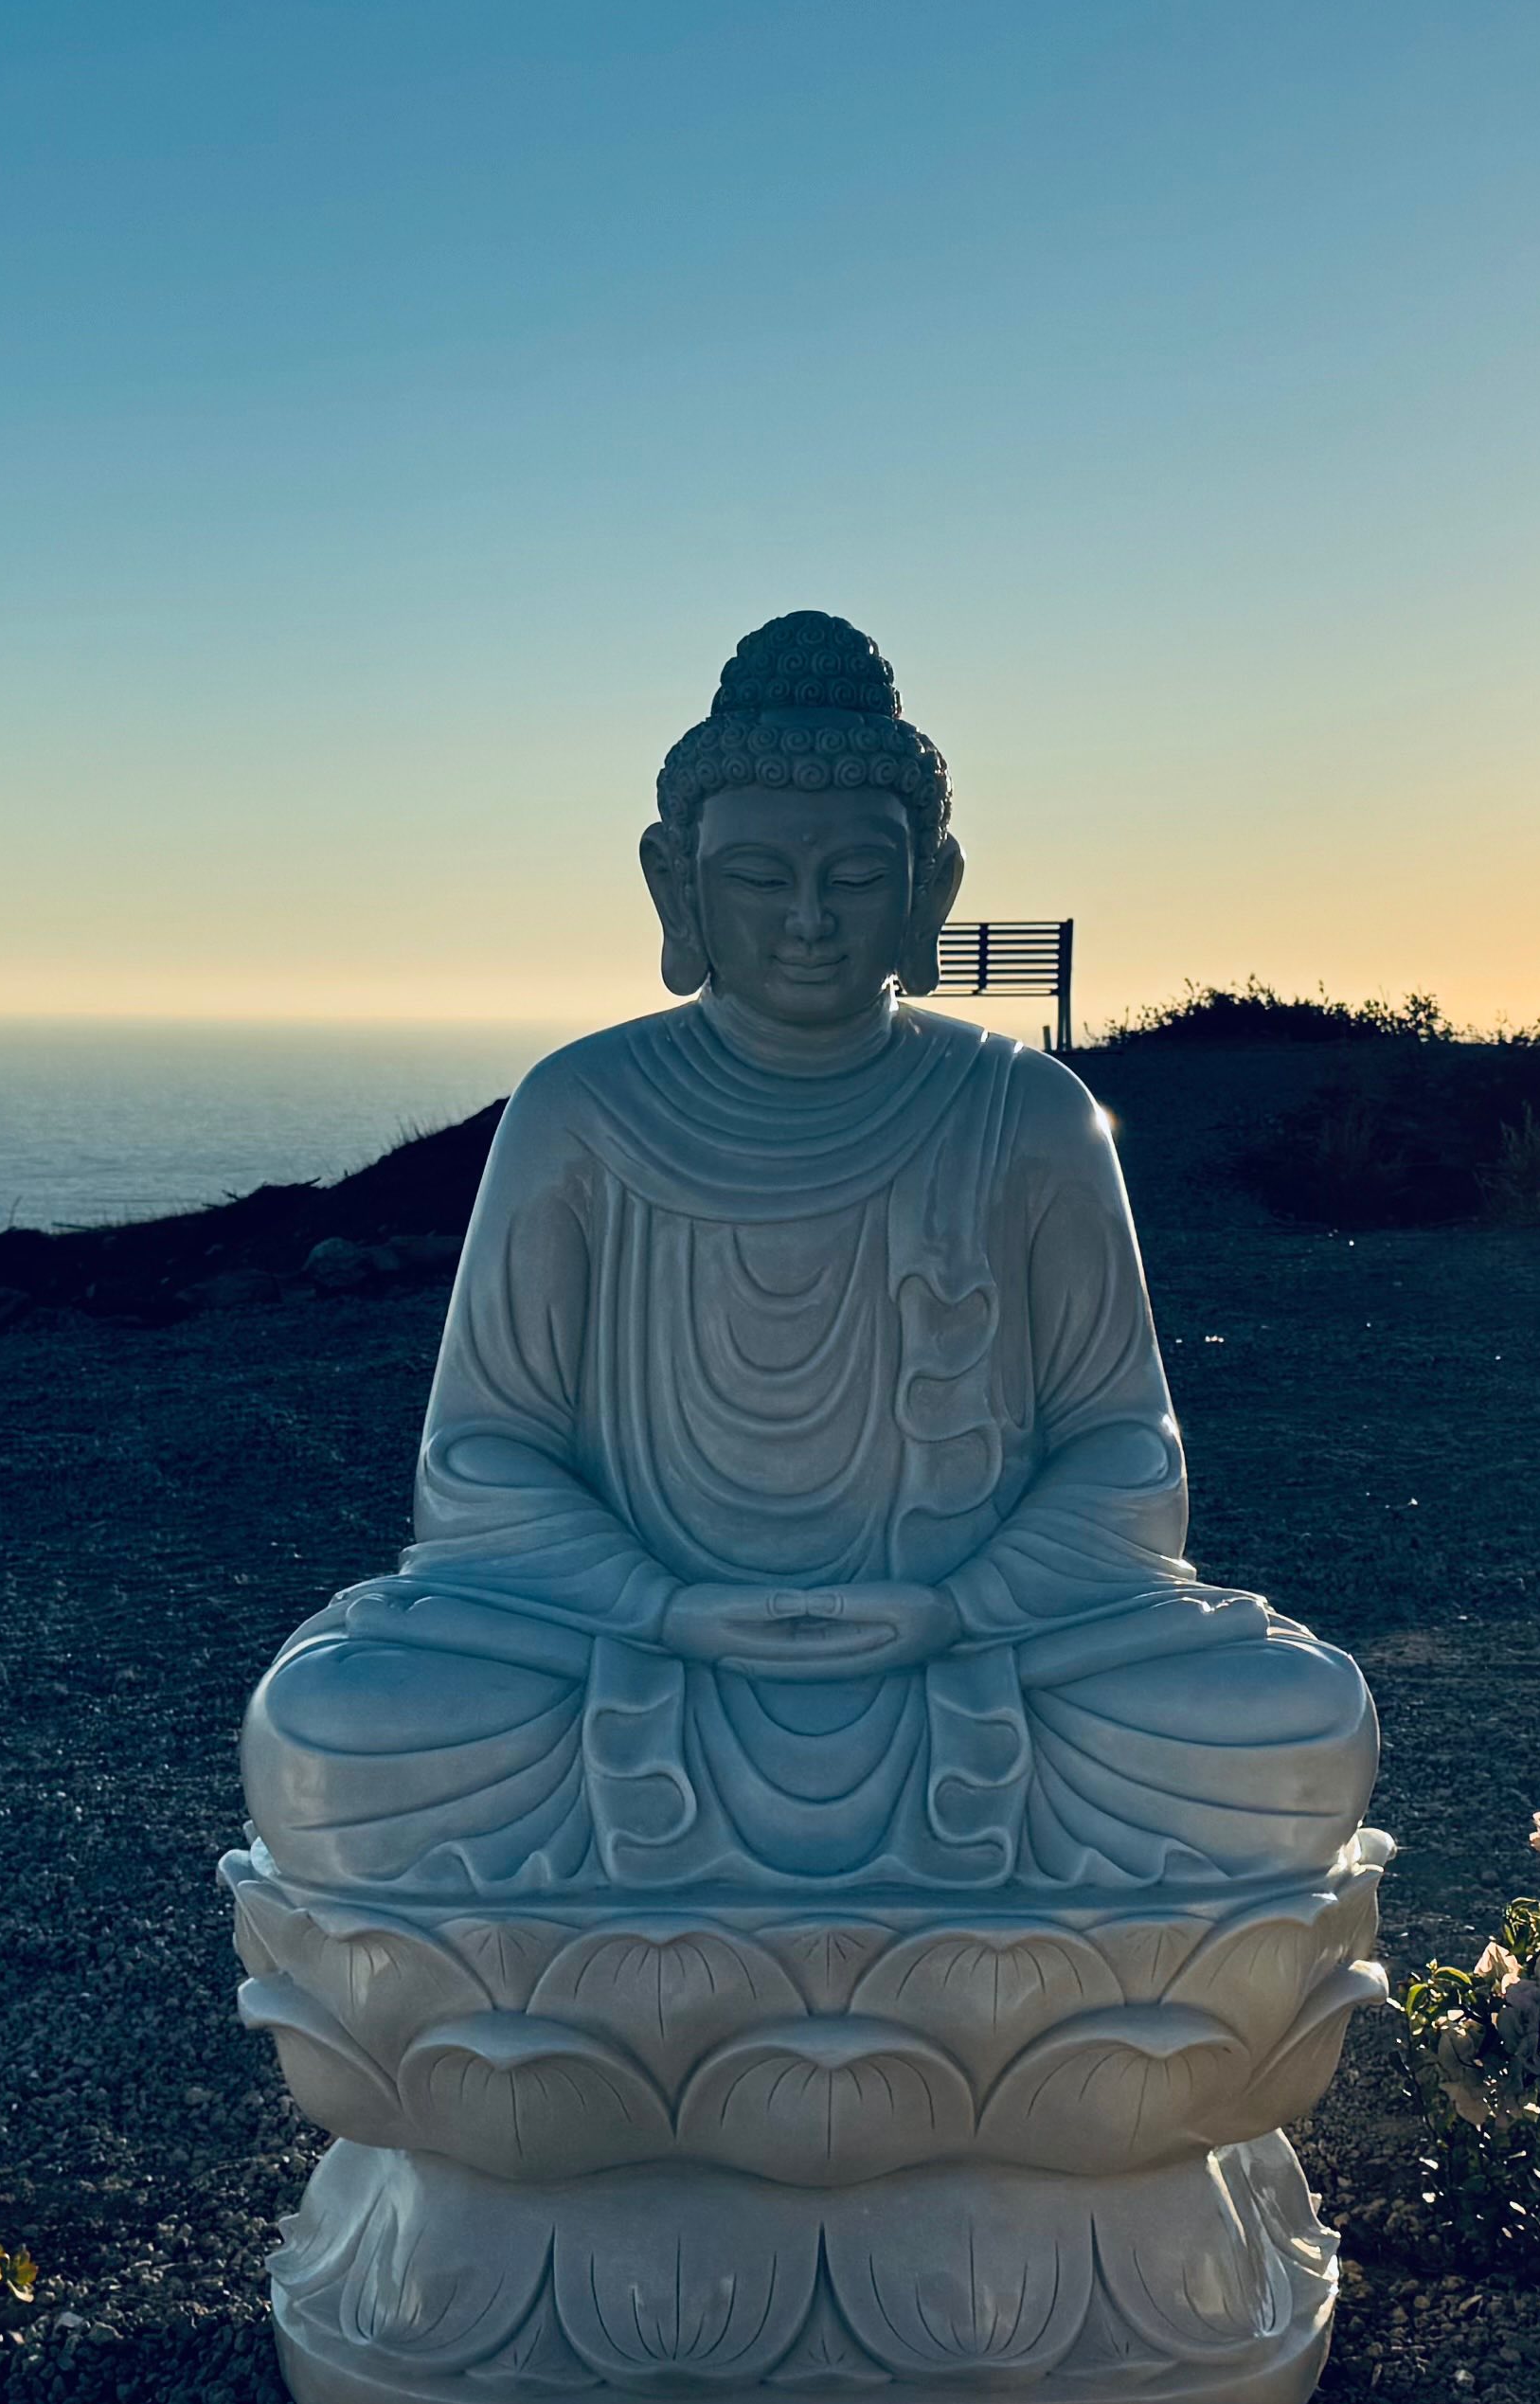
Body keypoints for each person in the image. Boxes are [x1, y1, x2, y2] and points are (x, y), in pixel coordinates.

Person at [242, 613, 1378, 1902]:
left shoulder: (1028, 1113)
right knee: (333, 1736)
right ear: (676, 885)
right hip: (638, 1650)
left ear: (929, 891)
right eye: (757, 879)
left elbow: (1127, 1454)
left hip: (970, 1651)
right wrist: (662, 1606)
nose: (807, 921)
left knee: (1294, 1726)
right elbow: (478, 1460)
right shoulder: (581, 1108)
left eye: (853, 877)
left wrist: (959, 1606)